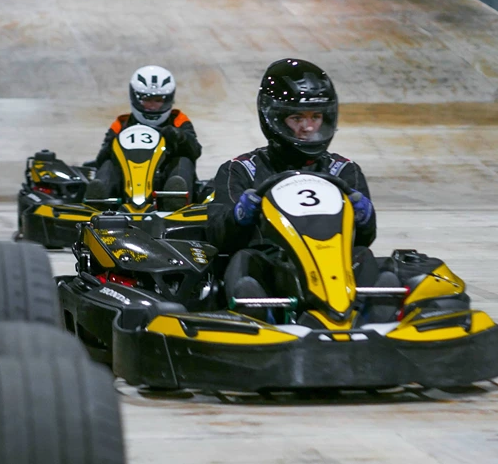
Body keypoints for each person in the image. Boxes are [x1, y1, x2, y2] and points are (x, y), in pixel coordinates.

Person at [206, 58, 392, 315]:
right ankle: (256, 320)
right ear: (274, 119)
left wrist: (365, 217)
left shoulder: (344, 170)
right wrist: (239, 216)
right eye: (297, 118)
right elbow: (218, 237)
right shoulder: (241, 169)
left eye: (316, 117)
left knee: (361, 255)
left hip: (331, 270)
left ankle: (371, 318)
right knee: (243, 259)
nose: (308, 128)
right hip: (274, 275)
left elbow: (363, 239)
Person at [85, 65, 202, 210]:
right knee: (108, 164)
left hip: (163, 182)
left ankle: (175, 201)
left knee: (183, 160)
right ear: (135, 98)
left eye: (158, 100)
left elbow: (195, 151)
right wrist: (114, 145)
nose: (152, 106)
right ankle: (97, 203)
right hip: (125, 185)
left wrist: (179, 136)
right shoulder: (122, 122)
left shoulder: (178, 120)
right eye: (147, 99)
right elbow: (101, 159)